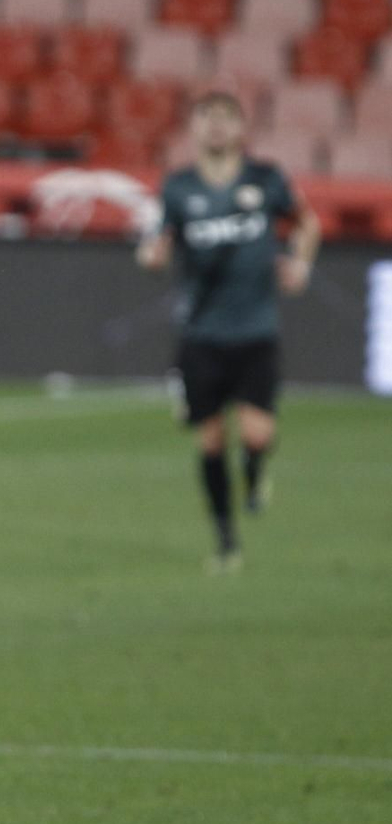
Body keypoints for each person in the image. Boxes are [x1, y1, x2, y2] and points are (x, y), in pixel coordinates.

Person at [136, 89, 320, 571]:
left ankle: (255, 472)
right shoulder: (177, 187)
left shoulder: (267, 179)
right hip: (202, 334)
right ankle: (226, 540)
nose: (216, 126)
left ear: (241, 127)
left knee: (258, 434)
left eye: (225, 117)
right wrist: (151, 255)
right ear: (193, 128)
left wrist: (300, 264)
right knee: (211, 439)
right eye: (206, 117)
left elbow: (307, 223)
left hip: (255, 330)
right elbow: (156, 240)